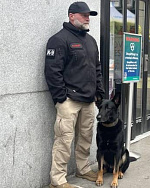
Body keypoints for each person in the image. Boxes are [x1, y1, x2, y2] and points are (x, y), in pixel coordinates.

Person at [44, 2, 105, 188]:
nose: (88, 18)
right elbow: (52, 71)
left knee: (85, 137)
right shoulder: (59, 40)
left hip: (88, 100)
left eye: (89, 15)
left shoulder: (91, 41)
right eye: (84, 15)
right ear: (72, 16)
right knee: (64, 140)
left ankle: (83, 169)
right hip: (69, 100)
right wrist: (61, 97)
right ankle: (58, 180)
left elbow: (97, 68)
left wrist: (99, 93)